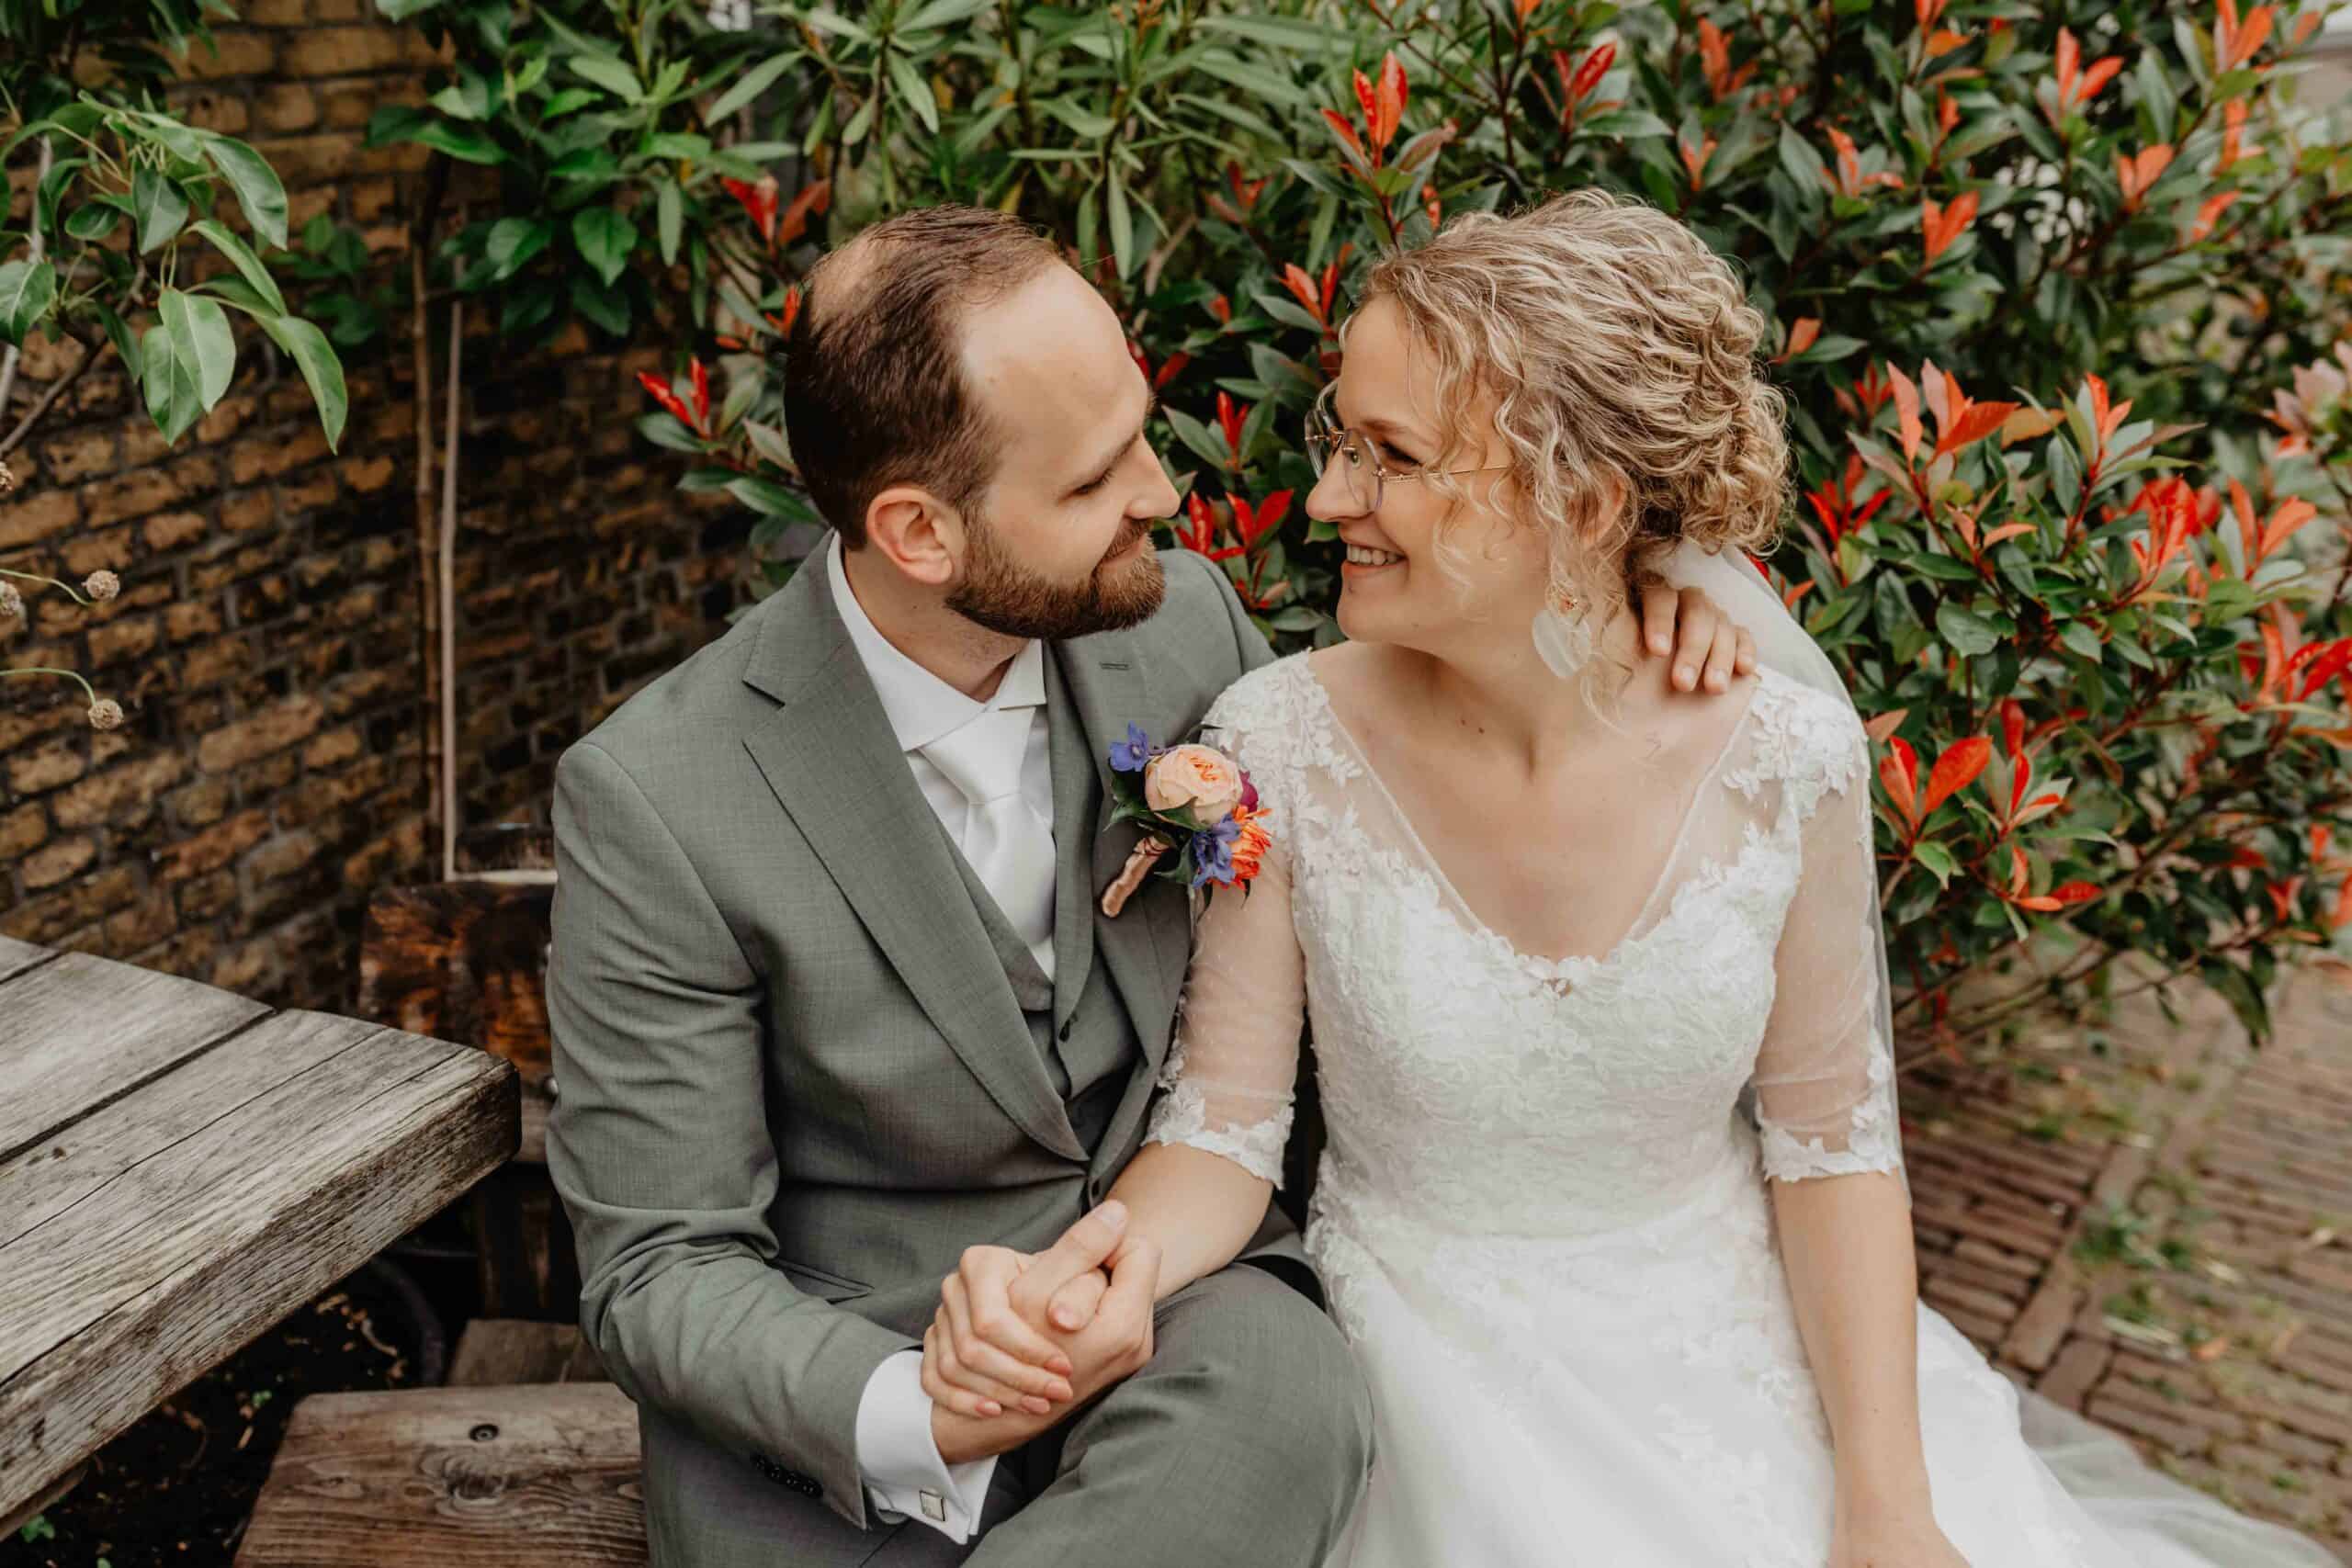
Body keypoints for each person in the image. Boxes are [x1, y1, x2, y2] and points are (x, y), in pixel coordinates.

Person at [922, 190, 2343, 1568]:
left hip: (1746, 1364)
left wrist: (1885, 1503)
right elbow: (1224, 1135)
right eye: (1338, 442)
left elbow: (1833, 1151)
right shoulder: (1279, 745)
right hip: (1423, 1390)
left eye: (1391, 456)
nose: (1328, 497)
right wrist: (1096, 1271)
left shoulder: (1786, 760)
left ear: (1585, 497)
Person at [544, 201, 1749, 1568]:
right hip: (853, 1418)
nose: (1163, 495)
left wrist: (1618, 612)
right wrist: (915, 1408)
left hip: (1185, 1329)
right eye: (1091, 479)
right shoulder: (659, 794)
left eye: (1140, 430)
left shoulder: (1180, 626)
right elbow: (659, 1265)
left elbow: (1437, 716)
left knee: (1288, 1392)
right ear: (919, 532)